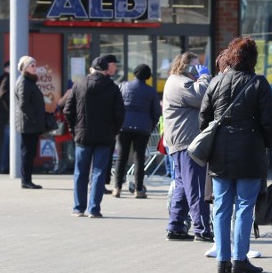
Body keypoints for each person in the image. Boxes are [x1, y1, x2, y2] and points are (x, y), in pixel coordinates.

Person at [200, 37, 272, 273]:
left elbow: (204, 117)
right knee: (245, 205)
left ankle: (222, 259)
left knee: (222, 206)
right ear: (253, 59)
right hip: (249, 149)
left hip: (220, 151)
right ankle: (239, 258)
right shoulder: (259, 83)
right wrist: (265, 142)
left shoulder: (216, 81)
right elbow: (271, 120)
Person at [64, 55, 125, 218]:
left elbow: (67, 110)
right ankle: (94, 209)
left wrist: (74, 129)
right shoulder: (113, 87)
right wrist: (114, 131)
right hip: (105, 137)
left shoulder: (79, 84)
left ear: (91, 69)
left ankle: (78, 208)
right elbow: (120, 114)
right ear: (106, 70)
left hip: (82, 135)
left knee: (80, 172)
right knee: (98, 172)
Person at [162, 52, 213, 241]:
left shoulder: (176, 81)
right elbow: (201, 96)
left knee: (183, 187)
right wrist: (205, 76)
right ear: (185, 66)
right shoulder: (180, 83)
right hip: (187, 143)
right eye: (195, 66)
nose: (197, 70)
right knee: (197, 187)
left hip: (180, 142)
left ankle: (175, 226)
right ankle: (202, 230)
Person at [113, 63, 161, 199]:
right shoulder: (151, 91)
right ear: (147, 76)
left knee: (121, 157)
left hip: (124, 126)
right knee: (139, 157)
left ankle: (117, 188)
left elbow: (116, 106)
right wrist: (150, 126)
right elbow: (156, 113)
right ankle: (138, 189)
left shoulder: (122, 86)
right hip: (142, 127)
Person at [14, 56, 46, 189]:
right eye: (32, 65)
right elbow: (24, 104)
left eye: (35, 64)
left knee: (30, 152)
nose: (35, 67)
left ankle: (27, 179)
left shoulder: (29, 81)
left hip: (31, 123)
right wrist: (33, 118)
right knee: (27, 153)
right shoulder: (24, 81)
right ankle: (26, 180)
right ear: (24, 68)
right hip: (28, 124)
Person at [0, 61, 11, 174]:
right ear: (7, 68)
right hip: (8, 116)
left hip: (5, 115)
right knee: (7, 141)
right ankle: (4, 166)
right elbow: (3, 94)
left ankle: (5, 165)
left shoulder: (4, 78)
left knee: (6, 141)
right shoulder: (7, 78)